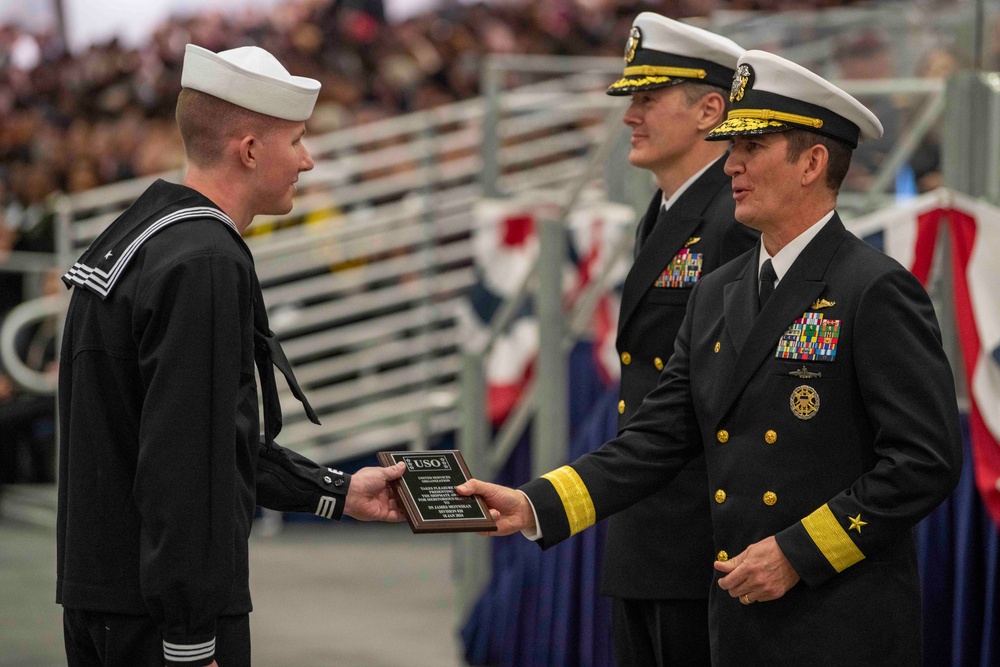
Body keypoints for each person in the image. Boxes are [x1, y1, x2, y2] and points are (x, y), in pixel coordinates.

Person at [459, 49, 963, 664]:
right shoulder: (719, 291)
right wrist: (536, 502)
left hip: (838, 614)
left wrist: (799, 552)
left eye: (753, 147)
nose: (732, 166)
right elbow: (659, 436)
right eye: (731, 147)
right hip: (739, 611)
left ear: (812, 162)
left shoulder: (873, 287)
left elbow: (923, 460)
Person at [56, 44, 406, 667]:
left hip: (108, 602)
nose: (308, 159)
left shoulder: (146, 233)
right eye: (296, 141)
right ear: (248, 150)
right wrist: (190, 638)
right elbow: (186, 467)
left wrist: (337, 490)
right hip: (160, 621)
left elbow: (202, 440)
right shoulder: (205, 261)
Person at [600, 13, 756, 666]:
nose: (630, 117)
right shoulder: (669, 210)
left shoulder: (731, 219)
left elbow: (726, 398)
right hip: (652, 529)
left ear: (710, 110)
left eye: (648, 99)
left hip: (695, 541)